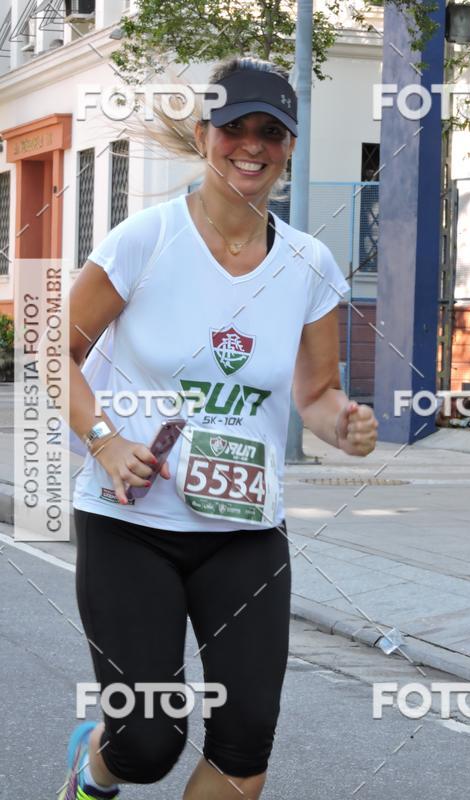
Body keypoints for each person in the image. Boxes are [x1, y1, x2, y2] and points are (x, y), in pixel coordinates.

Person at [62, 55, 378, 800]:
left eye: (271, 131)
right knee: (146, 744)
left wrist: (347, 425)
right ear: (206, 133)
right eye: (235, 126)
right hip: (130, 523)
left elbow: (317, 395)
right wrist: (105, 442)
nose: (252, 145)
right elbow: (57, 349)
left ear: (290, 147)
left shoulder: (309, 262)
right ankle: (95, 769)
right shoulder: (146, 240)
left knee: (243, 748)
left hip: (245, 532)